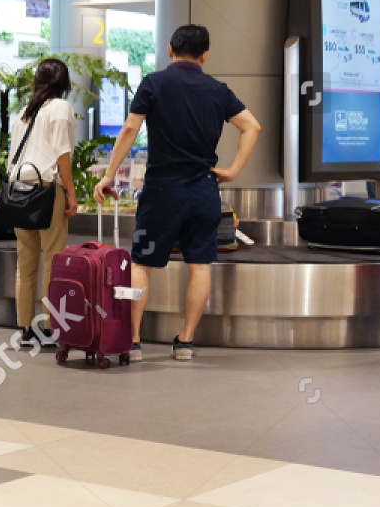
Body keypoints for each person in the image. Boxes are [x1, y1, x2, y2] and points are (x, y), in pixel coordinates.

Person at [95, 24, 261, 362]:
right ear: (205, 55)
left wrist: (109, 175)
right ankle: (185, 342)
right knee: (199, 264)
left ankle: (135, 341)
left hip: (162, 191)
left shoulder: (154, 83)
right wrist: (232, 170)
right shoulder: (218, 89)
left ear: (170, 51)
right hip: (203, 189)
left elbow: (130, 128)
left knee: (142, 262)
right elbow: (252, 126)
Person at [10, 58, 80, 347]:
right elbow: (62, 154)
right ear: (64, 83)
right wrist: (72, 193)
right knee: (53, 258)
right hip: (46, 187)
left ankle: (25, 327)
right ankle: (50, 328)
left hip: (18, 188)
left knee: (25, 261)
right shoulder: (60, 108)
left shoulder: (23, 113)